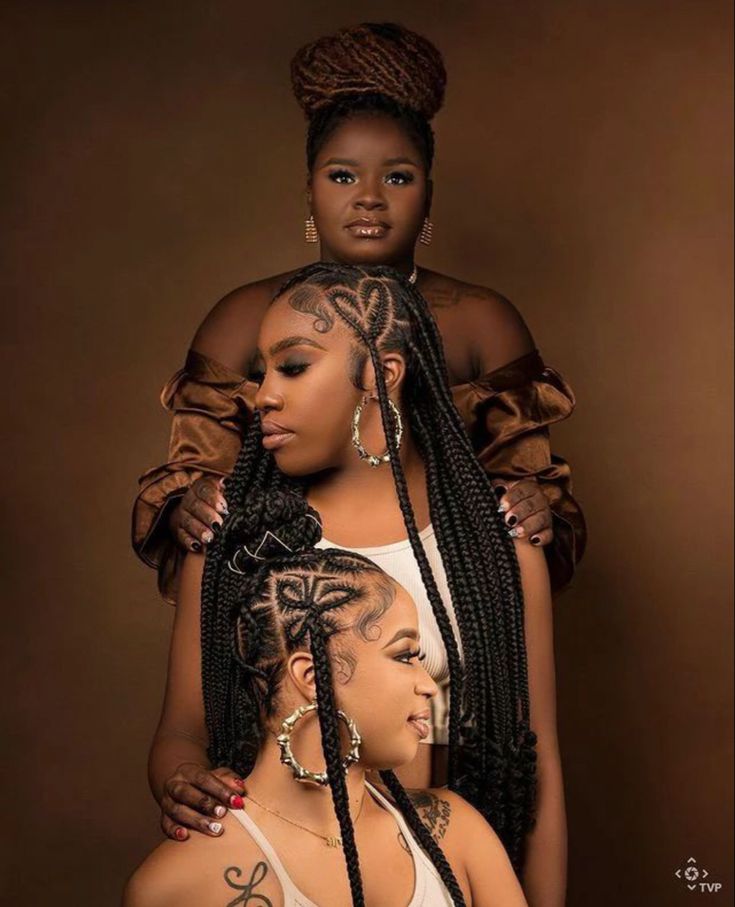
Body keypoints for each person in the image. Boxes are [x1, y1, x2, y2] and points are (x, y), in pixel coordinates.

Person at [149, 264, 566, 905]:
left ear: (381, 375)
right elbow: (182, 730)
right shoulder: (235, 537)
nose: (261, 395)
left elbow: (537, 769)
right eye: (261, 372)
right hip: (285, 874)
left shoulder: (496, 543)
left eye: (291, 367)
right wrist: (185, 782)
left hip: (460, 877)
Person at [132, 21, 585, 607]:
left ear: (428, 195)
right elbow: (197, 469)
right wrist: (189, 502)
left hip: (446, 594)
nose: (369, 197)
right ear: (309, 191)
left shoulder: (482, 321)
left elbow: (528, 482)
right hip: (287, 595)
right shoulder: (244, 318)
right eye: (342, 175)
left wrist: (530, 500)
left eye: (398, 176)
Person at [124, 528, 529, 906]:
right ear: (313, 676)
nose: (428, 685)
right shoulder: (176, 886)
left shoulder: (458, 835)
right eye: (405, 655)